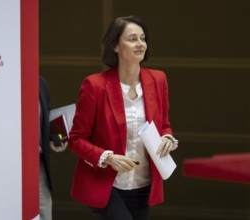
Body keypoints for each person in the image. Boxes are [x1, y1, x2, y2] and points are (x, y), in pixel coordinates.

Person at [68, 15, 178, 220]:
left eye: (143, 38)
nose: (140, 44)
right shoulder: (95, 85)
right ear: (116, 46)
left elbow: (164, 125)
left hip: (144, 184)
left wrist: (168, 139)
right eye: (132, 38)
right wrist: (108, 158)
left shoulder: (159, 80)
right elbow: (75, 140)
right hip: (107, 186)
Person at [39, 75, 67, 220]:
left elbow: (44, 118)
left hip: (37, 164)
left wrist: (54, 137)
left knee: (44, 212)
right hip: (7, 163)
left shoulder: (41, 83)